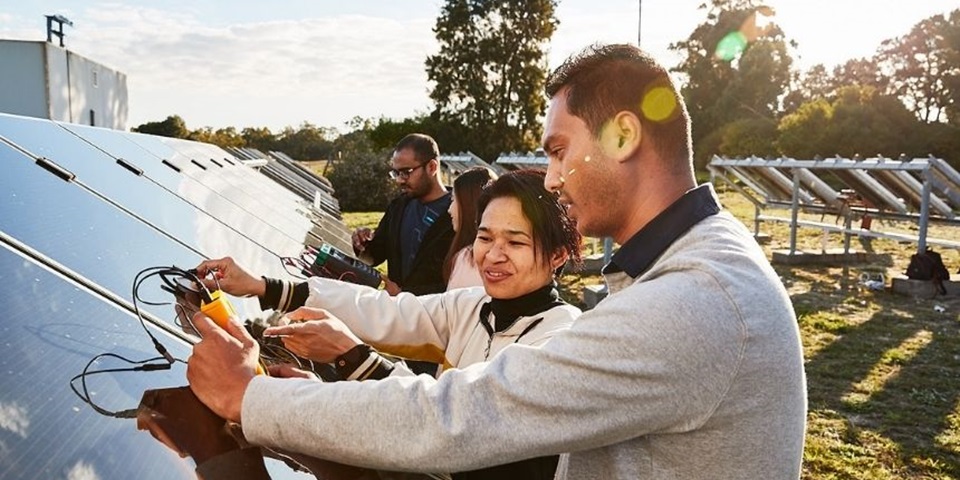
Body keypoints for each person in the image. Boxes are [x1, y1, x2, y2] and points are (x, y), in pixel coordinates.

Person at [188, 43, 807, 479]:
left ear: (625, 135)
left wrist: (253, 399)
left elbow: (463, 416)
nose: (556, 180)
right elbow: (398, 318)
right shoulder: (695, 269)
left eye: (560, 151)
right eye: (484, 236)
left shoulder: (691, 300)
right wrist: (279, 298)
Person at [194, 169, 582, 479]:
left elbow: (453, 423)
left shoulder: (560, 340)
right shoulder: (472, 305)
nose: (493, 256)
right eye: (484, 237)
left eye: (514, 243)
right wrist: (262, 286)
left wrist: (350, 361)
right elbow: (386, 311)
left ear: (558, 255)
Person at [353, 133, 454, 297]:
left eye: (406, 172)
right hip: (398, 315)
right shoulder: (398, 207)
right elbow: (373, 257)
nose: (399, 180)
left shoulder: (458, 213)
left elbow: (461, 282)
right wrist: (362, 244)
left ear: (432, 167)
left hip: (437, 317)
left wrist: (405, 294)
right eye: (396, 173)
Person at [443, 167, 497, 290]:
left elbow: (453, 308)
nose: (449, 209)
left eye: (453, 200)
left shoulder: (468, 259)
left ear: (469, 205)